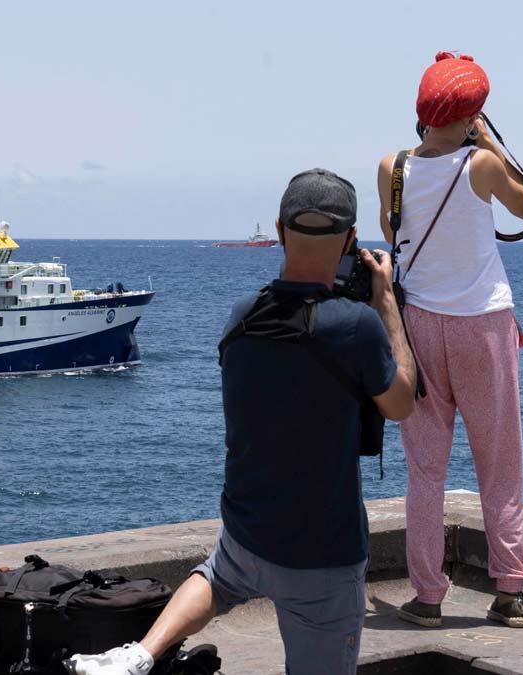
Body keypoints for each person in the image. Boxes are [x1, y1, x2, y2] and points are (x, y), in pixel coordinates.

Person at [67, 169, 417, 675]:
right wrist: (385, 304)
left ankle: (140, 653)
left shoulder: (243, 315)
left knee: (217, 577)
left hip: (248, 535)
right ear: (350, 239)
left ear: (277, 230)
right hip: (322, 556)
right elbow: (401, 404)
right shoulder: (357, 326)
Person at [376, 52, 523, 630]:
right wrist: (487, 138)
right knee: (500, 464)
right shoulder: (481, 166)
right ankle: (510, 590)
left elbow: (395, 234)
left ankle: (427, 596)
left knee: (425, 468)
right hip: (484, 324)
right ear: (472, 113)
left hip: (419, 325)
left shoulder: (391, 167)